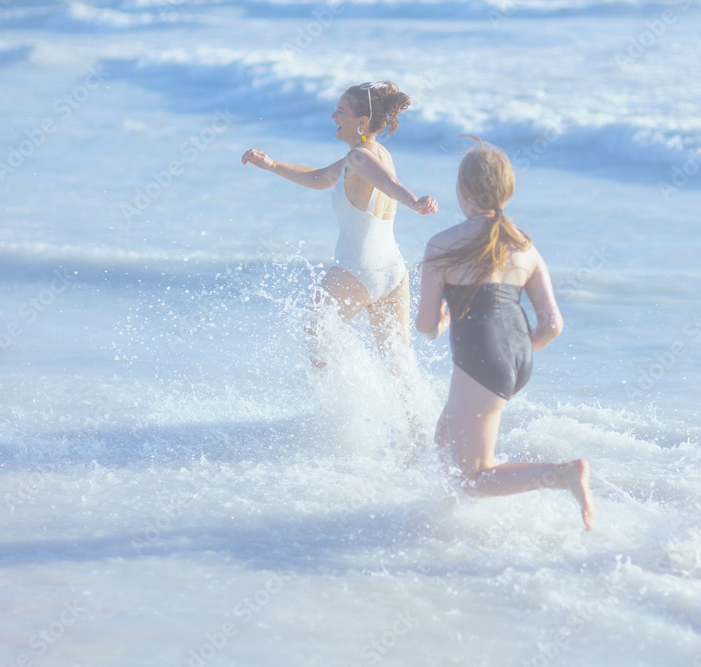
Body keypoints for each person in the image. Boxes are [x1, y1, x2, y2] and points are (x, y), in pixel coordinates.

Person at [415, 138, 596, 531]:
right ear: (507, 192)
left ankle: (563, 474)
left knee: (475, 477)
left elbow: (426, 326)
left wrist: (449, 324)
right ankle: (450, 524)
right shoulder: (524, 246)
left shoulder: (442, 244)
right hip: (517, 357)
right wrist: (512, 350)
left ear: (462, 191)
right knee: (444, 436)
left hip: (482, 358)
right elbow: (552, 324)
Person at [241, 81, 438, 367]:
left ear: (361, 121)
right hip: (393, 272)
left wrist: (415, 203)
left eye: (340, 111)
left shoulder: (359, 157)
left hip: (357, 268)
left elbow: (389, 184)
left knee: (313, 331)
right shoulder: (375, 154)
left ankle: (339, 410)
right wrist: (271, 164)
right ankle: (419, 413)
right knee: (400, 366)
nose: (333, 117)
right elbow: (320, 178)